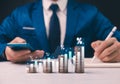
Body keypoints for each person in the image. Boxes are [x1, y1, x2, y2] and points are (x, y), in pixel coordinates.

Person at [0, 0, 120, 63]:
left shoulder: (91, 13)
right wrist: (5, 52)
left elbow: (116, 39)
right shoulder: (20, 14)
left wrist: (117, 50)